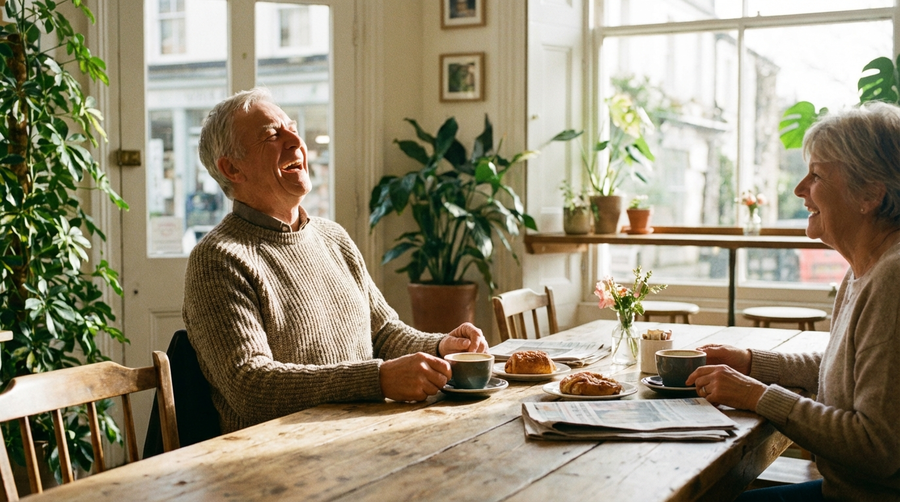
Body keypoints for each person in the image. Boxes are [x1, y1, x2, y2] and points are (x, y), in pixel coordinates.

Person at [183, 88, 488, 434]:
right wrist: (377, 380)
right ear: (232, 168)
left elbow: (384, 333)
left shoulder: (333, 238)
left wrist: (441, 346)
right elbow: (251, 385)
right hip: (277, 460)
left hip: (360, 437)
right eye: (272, 134)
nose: (296, 140)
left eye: (293, 128)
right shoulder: (219, 258)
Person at [687, 102, 900, 501]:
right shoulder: (865, 267)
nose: (799, 189)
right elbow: (855, 370)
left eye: (816, 175)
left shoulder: (893, 278)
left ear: (869, 194)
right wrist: (750, 362)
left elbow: (876, 447)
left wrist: (754, 394)